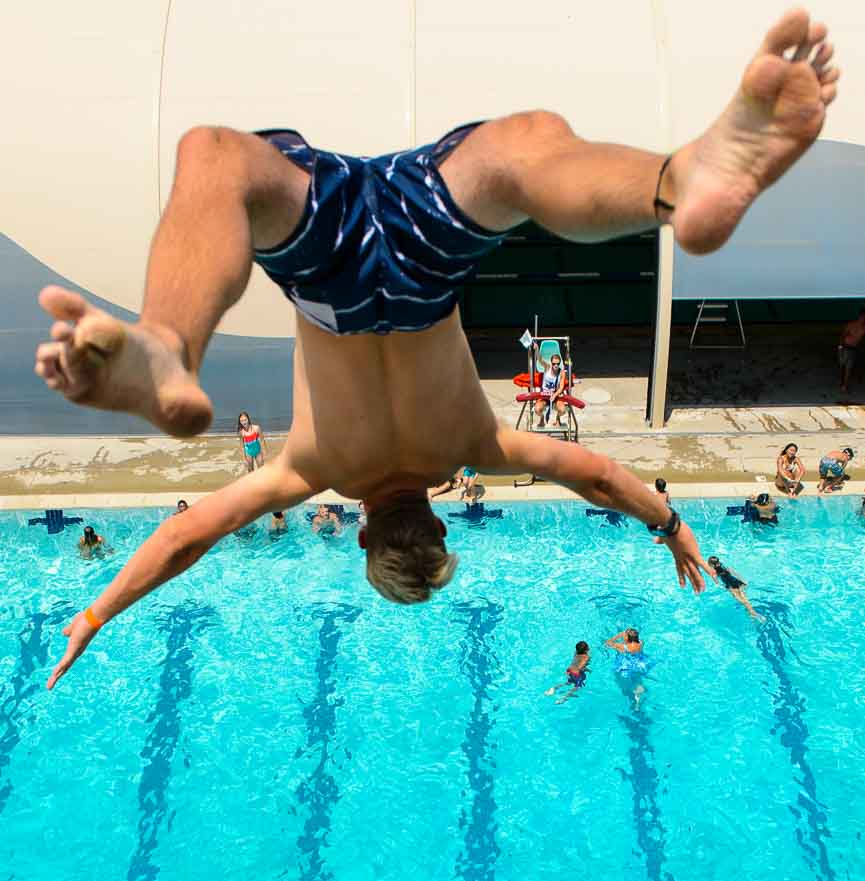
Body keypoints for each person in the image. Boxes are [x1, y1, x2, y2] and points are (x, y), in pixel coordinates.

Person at [34, 10, 839, 688]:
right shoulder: (307, 471)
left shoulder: (472, 446)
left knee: (521, 149)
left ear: (440, 526)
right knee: (215, 155)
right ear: (358, 534)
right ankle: (169, 342)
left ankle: (672, 184)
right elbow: (185, 536)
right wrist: (95, 613)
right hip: (330, 282)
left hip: (423, 273)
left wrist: (671, 526)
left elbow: (595, 474)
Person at [706, 556, 763, 621]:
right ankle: (754, 613)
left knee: (742, 601)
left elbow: (717, 583)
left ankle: (753, 614)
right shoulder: (725, 567)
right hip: (738, 583)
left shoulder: (714, 573)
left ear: (712, 565)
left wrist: (725, 588)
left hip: (731, 586)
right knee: (745, 599)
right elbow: (735, 574)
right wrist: (744, 581)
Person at [606, 627, 651, 708]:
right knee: (637, 681)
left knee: (625, 689)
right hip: (638, 665)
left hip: (625, 667)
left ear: (627, 638)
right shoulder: (641, 643)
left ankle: (634, 701)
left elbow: (608, 643)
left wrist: (618, 635)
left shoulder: (622, 647)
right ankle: (639, 693)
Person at [534, 353, 567, 429]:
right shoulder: (547, 367)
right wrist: (537, 350)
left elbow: (561, 387)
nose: (556, 365)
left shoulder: (562, 373)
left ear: (560, 363)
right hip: (544, 396)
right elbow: (540, 359)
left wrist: (555, 395)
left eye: (558, 364)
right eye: (554, 363)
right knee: (537, 409)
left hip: (555, 396)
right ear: (551, 363)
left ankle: (557, 418)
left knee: (563, 410)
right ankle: (542, 418)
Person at [838, 308, 865, 394]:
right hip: (845, 347)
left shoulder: (864, 328)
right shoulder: (851, 325)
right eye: (863, 317)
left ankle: (845, 385)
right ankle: (843, 383)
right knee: (842, 366)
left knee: (848, 368)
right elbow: (843, 335)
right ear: (860, 316)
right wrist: (840, 346)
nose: (863, 319)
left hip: (853, 348)